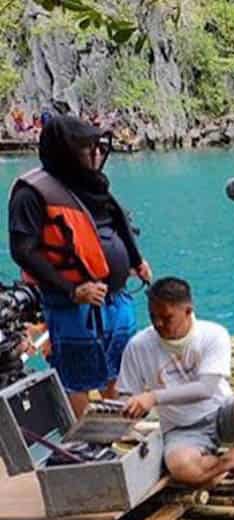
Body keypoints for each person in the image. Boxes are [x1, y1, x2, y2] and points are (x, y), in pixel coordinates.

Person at [7, 115, 152, 417]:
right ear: (68, 151)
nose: (96, 154)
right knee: (77, 376)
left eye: (97, 147)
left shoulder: (92, 184)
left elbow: (116, 221)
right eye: (88, 148)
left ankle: (118, 428)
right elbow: (24, 250)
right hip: (72, 304)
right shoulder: (31, 192)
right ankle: (86, 440)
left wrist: (136, 261)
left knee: (119, 366)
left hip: (114, 297)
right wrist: (73, 290)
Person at [116, 278, 234, 503]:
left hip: (221, 412)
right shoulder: (138, 346)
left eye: (166, 318)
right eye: (153, 317)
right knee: (182, 469)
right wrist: (127, 408)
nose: (158, 324)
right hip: (180, 428)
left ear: (188, 311)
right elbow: (126, 393)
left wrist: (153, 397)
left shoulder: (213, 334)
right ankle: (230, 462)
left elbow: (206, 388)